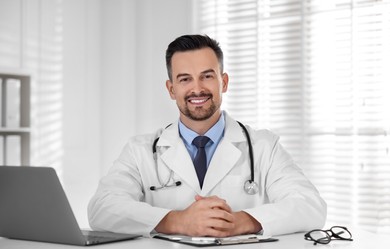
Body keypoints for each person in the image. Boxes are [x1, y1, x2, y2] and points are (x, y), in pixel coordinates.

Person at [88, 34, 327, 238]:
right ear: (172, 89)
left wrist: (242, 221)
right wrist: (177, 221)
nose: (197, 88)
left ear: (223, 82)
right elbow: (101, 209)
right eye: (185, 79)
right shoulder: (140, 150)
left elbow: (311, 206)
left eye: (207, 76)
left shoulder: (264, 146)